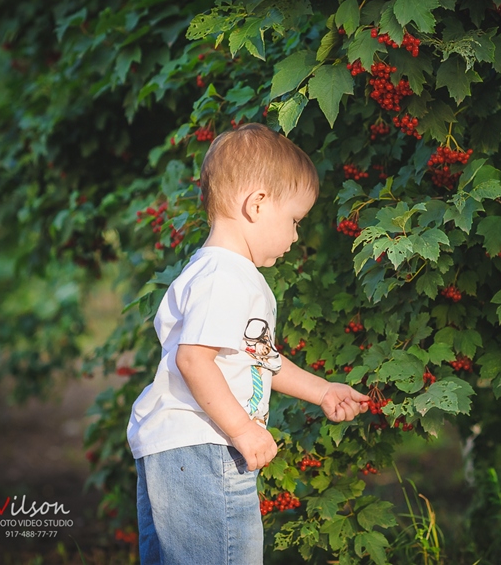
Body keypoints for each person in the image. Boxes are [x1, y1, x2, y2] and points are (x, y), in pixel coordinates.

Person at [127, 123, 370, 564]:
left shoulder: (221, 273)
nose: (296, 237)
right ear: (257, 204)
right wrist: (242, 428)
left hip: (186, 448)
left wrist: (322, 390)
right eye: (294, 221)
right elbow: (193, 360)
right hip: (205, 446)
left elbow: (261, 358)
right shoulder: (226, 276)